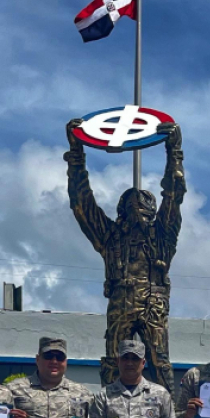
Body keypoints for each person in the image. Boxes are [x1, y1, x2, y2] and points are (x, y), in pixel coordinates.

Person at [64, 117, 184, 390]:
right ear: (120, 214)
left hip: (154, 303)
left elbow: (174, 195)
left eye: (141, 211)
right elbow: (82, 204)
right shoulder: (110, 237)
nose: (135, 217)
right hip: (120, 302)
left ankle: (168, 415)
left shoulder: (163, 235)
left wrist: (174, 152)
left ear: (151, 214)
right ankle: (108, 409)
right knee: (112, 361)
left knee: (159, 361)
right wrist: (76, 155)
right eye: (129, 211)